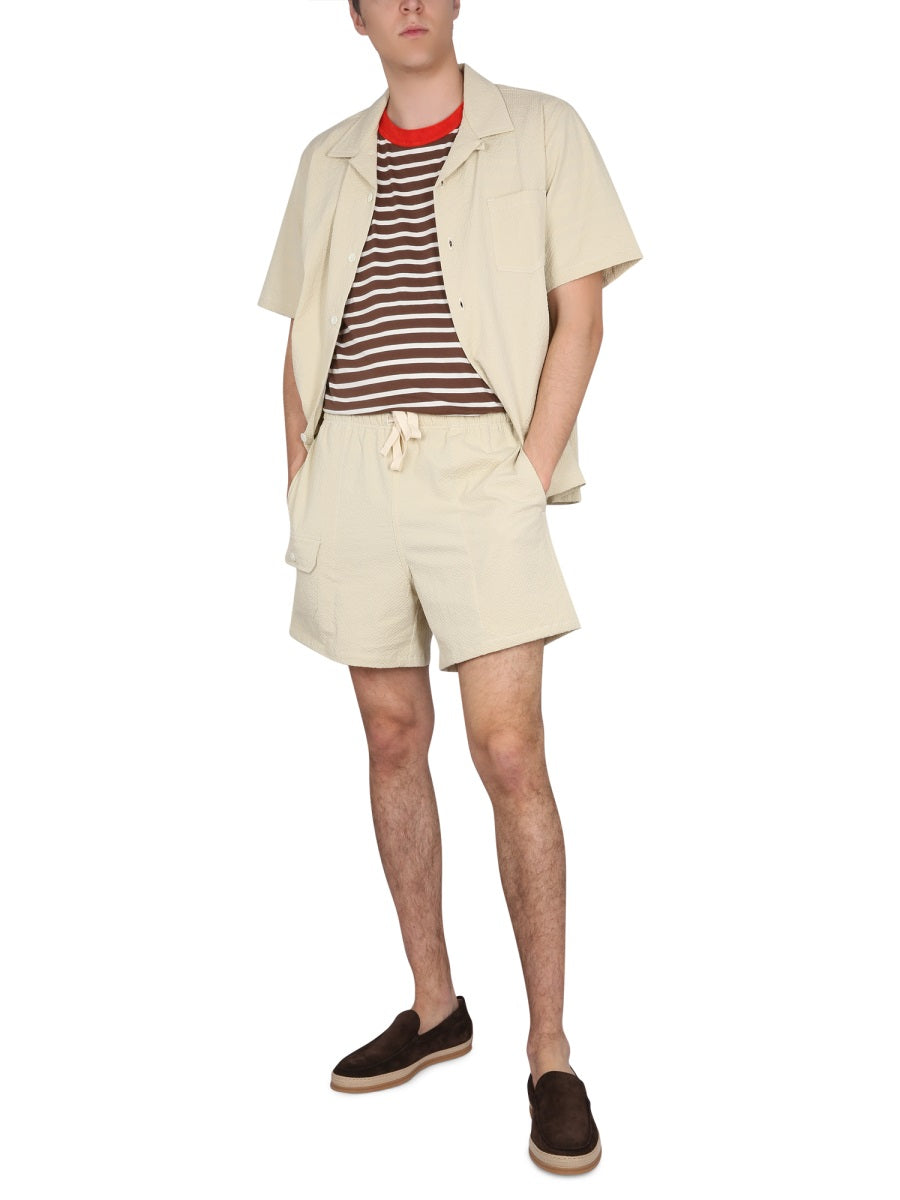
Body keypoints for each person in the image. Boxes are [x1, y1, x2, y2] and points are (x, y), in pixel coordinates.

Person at [257, 0, 641, 1176]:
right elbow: (299, 340)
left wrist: (526, 475)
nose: (411, 3)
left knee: (509, 751)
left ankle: (550, 1051)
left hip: (482, 466)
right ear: (356, 17)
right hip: (352, 470)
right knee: (390, 736)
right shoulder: (326, 158)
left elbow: (582, 317)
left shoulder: (543, 128)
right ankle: (435, 1008)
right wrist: (302, 481)